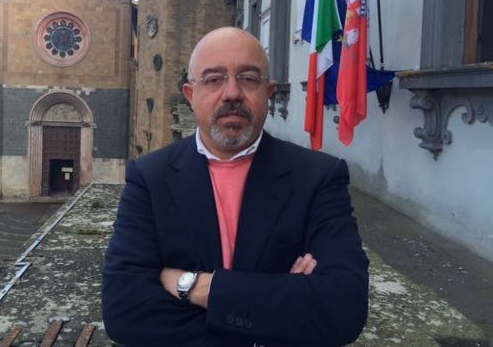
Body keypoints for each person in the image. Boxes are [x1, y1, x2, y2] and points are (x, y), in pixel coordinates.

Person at [102, 27, 369, 346]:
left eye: (248, 78)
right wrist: (276, 305)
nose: (231, 93)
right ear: (190, 95)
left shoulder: (319, 177)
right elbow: (124, 313)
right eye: (214, 79)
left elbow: (343, 310)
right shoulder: (150, 177)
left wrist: (192, 286)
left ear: (268, 92)